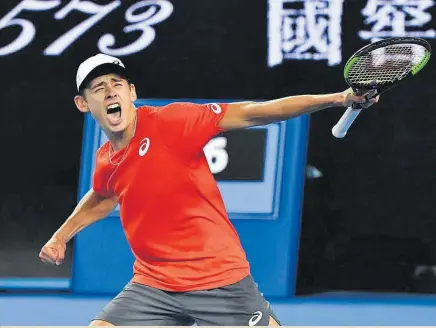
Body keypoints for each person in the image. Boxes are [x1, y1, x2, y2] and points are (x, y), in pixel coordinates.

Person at [39, 53, 379, 326]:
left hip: (219, 280)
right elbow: (102, 197)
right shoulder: (106, 160)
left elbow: (254, 113)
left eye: (117, 83)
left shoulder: (173, 122)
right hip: (153, 284)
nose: (110, 91)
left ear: (132, 93)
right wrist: (61, 236)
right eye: (98, 87)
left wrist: (338, 98)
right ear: (84, 104)